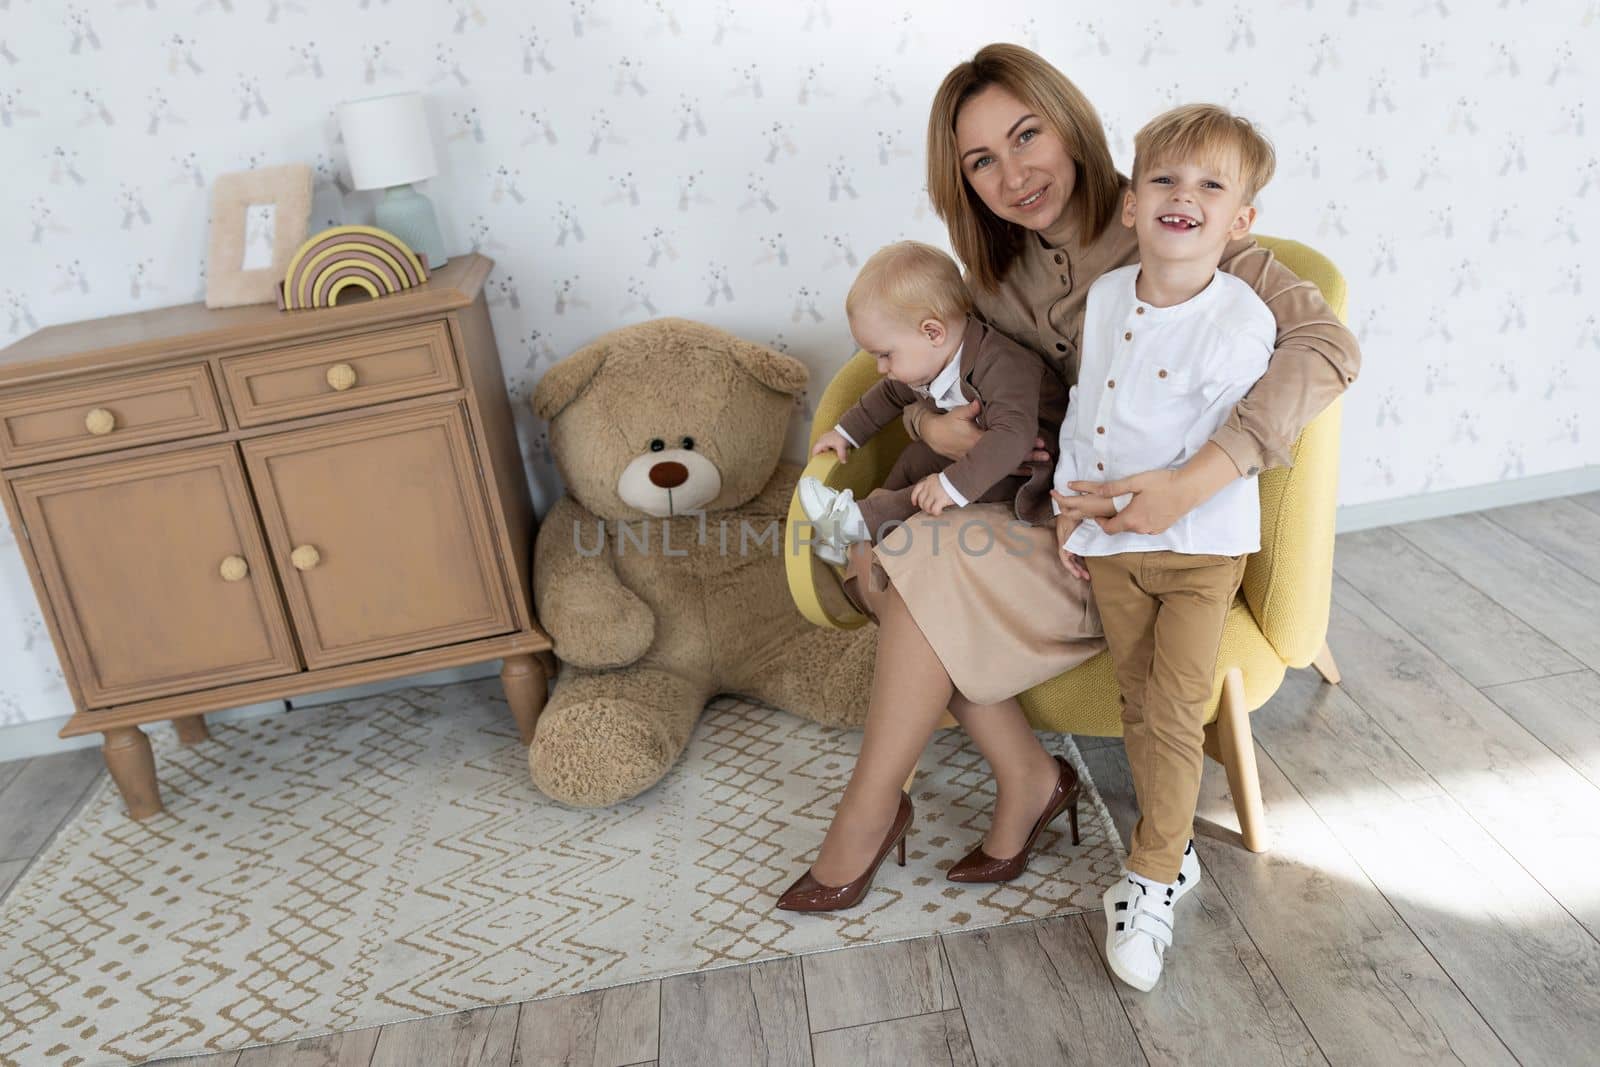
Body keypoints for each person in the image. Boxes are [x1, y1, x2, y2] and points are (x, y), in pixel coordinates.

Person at [775, 44, 1359, 918]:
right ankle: (1025, 779)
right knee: (900, 548)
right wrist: (931, 426)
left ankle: (878, 809)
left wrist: (1201, 476)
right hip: (1053, 526)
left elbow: (1327, 349)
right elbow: (948, 387)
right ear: (963, 182)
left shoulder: (1177, 224)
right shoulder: (997, 284)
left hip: (1157, 546)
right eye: (982, 160)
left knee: (915, 558)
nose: (1013, 175)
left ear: (1070, 124)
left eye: (1026, 135)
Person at [1051, 103, 1276, 991]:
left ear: (1241, 219)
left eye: (1211, 186)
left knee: (1177, 707)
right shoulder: (1108, 297)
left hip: (1198, 551)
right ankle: (1171, 851)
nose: (1186, 196)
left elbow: (1216, 458)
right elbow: (1087, 406)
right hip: (1110, 543)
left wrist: (1134, 508)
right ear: (1131, 203)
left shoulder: (1241, 320)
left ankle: (1149, 879)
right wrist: (1072, 508)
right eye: (1165, 180)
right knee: (1139, 700)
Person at [797, 240, 1067, 565]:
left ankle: (856, 522)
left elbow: (1013, 436)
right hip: (981, 455)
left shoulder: (1003, 365)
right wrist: (845, 432)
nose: (881, 368)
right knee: (914, 458)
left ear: (933, 332)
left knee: (928, 492)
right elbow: (887, 395)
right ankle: (863, 528)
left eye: (885, 355)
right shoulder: (931, 361)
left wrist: (950, 486)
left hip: (1027, 474)